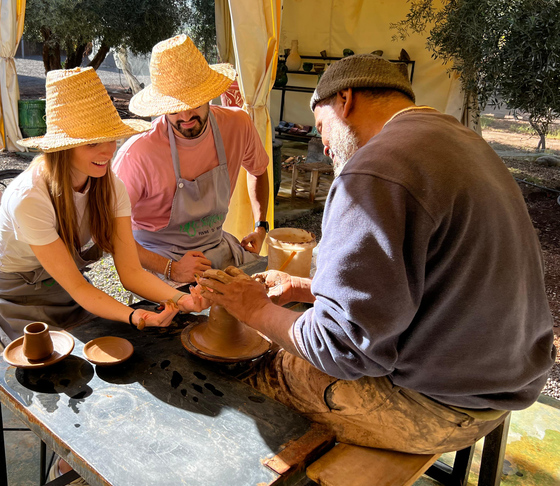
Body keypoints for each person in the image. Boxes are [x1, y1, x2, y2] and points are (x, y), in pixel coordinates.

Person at [199, 54, 556, 456]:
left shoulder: (373, 170)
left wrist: (254, 311)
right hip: (501, 381)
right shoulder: (459, 139)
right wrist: (308, 288)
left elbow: (341, 350)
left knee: (250, 380)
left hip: (439, 406)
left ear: (345, 100)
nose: (326, 145)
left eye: (321, 128)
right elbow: (423, 281)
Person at [0, 67, 208, 486]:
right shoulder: (31, 195)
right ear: (63, 146)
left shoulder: (110, 186)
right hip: (23, 306)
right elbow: (83, 290)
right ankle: (70, 472)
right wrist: (137, 315)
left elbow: (129, 273)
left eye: (111, 138)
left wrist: (182, 299)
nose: (107, 151)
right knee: (72, 396)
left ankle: (119, 468)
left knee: (130, 371)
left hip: (70, 297)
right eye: (93, 142)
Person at [112, 34, 271, 284]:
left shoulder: (237, 124)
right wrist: (171, 269)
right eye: (174, 107)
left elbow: (259, 169)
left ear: (209, 94)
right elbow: (110, 232)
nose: (185, 115)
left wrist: (262, 226)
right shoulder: (138, 154)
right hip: (160, 259)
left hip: (216, 245)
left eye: (194, 103)